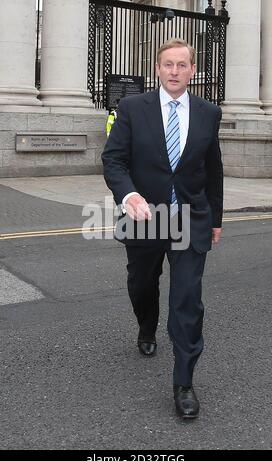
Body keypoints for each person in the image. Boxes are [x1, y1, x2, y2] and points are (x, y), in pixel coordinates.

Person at [102, 38, 223, 419]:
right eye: (168, 64)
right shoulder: (133, 108)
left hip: (190, 218)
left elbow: (213, 169)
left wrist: (216, 218)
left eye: (182, 65)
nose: (174, 71)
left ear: (191, 70)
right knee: (142, 283)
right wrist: (129, 195)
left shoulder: (208, 112)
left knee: (187, 299)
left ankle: (184, 382)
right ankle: (146, 326)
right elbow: (114, 160)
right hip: (144, 217)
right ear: (157, 69)